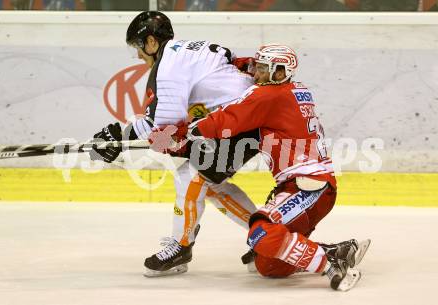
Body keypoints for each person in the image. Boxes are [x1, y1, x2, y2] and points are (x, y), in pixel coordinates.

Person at [178, 44, 370, 290]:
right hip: (314, 187)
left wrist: (185, 130)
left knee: (260, 234)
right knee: (269, 266)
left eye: (261, 69)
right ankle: (335, 251)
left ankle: (331, 266)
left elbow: (224, 120)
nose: (255, 75)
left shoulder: (267, 95)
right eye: (256, 68)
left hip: (307, 187)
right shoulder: (297, 90)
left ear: (280, 72)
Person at [89, 11, 259, 277]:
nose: (138, 55)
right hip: (248, 115)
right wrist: (124, 136)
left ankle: (181, 246)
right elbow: (229, 65)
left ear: (152, 42)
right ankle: (265, 234)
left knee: (189, 174)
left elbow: (165, 129)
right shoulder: (190, 49)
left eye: (138, 47)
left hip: (241, 120)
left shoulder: (167, 68)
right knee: (208, 185)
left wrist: (119, 140)